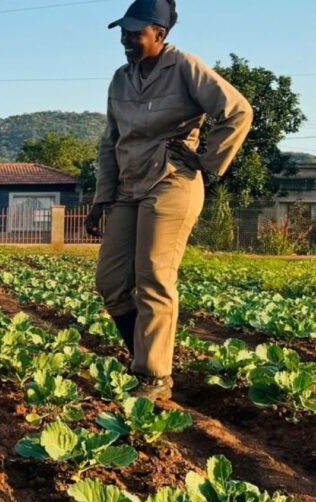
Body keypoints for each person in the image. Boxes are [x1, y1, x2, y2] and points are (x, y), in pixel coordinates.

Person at [85, 0, 252, 400]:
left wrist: (206, 159)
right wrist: (100, 198)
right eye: (123, 32)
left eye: (134, 32)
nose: (126, 39)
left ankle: (153, 376)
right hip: (128, 186)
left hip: (171, 182)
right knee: (110, 281)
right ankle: (141, 355)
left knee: (154, 277)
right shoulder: (120, 79)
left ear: (159, 34)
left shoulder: (185, 67)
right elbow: (110, 141)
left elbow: (237, 111)